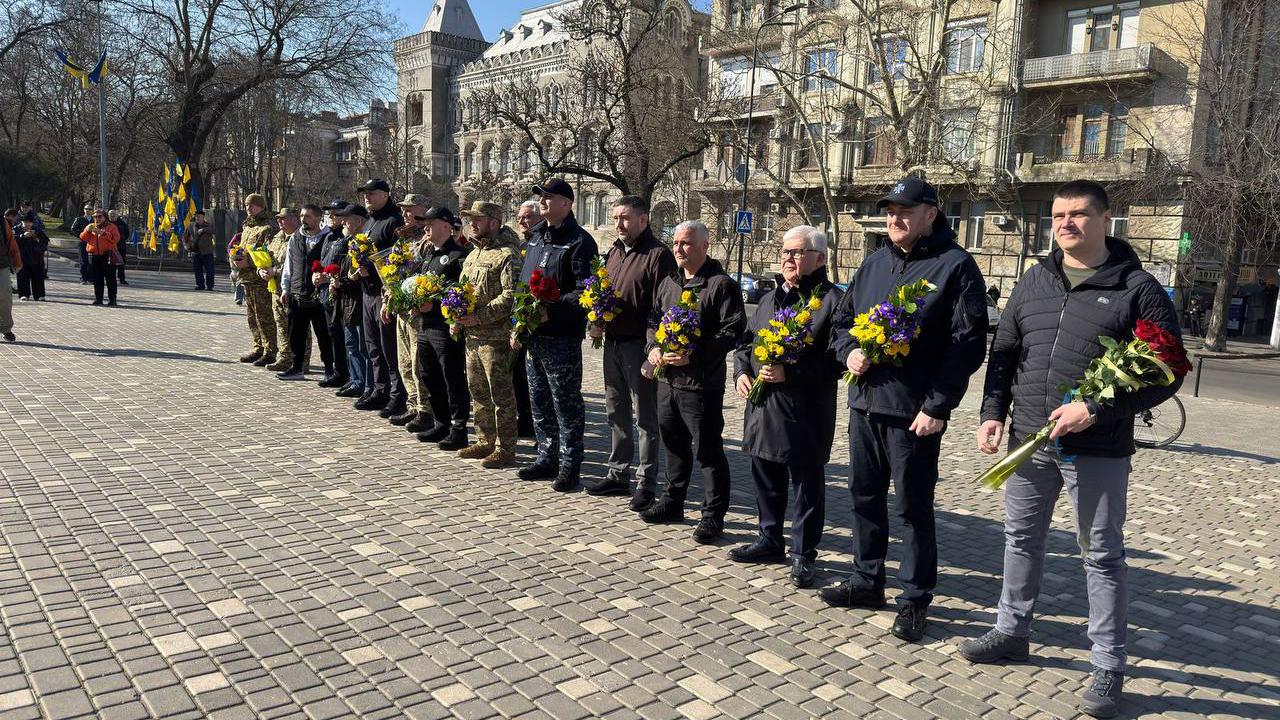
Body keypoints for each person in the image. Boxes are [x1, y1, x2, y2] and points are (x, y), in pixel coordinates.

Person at [961, 180, 1184, 719]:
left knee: (1102, 557)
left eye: (1079, 214)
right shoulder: (1034, 280)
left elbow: (1170, 369)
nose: (1066, 223)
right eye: (1058, 215)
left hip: (1099, 449)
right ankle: (1011, 632)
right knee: (1020, 539)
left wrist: (1098, 410)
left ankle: (1108, 668)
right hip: (1029, 443)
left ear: (1107, 219)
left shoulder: (1138, 288)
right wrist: (992, 413)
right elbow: (1005, 353)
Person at [822, 177, 989, 642]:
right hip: (865, 405)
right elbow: (842, 322)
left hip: (914, 414)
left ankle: (915, 599)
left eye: (906, 210)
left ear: (931, 214)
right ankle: (866, 580)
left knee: (913, 508)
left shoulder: (955, 266)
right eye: (890, 210)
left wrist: (938, 404)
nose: (895, 218)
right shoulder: (875, 262)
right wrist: (848, 351)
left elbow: (967, 345)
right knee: (862, 496)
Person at [729, 226, 842, 588]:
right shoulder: (771, 298)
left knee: (806, 485)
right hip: (764, 408)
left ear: (820, 259)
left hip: (806, 409)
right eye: (785, 252)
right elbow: (747, 342)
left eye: (797, 252)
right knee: (765, 474)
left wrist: (790, 372)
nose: (788, 258)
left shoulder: (832, 301)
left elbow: (837, 359)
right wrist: (741, 372)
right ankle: (769, 538)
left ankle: (804, 554)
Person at [640, 220, 746, 541]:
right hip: (667, 382)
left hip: (700, 385)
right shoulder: (668, 282)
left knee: (708, 452)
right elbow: (652, 320)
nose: (679, 249)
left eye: (686, 243)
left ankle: (713, 516)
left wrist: (694, 355)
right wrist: (653, 348)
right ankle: (673, 501)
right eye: (675, 243)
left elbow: (732, 331)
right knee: (674, 445)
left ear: (705, 246)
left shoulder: (721, 284)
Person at [584, 196, 677, 509]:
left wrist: (655, 349)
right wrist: (595, 320)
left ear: (643, 219)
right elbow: (601, 294)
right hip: (612, 343)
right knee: (615, 410)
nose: (618, 225)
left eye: (624, 218)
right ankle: (617, 474)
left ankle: (646, 483)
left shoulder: (658, 255)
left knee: (645, 418)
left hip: (641, 346)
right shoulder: (613, 252)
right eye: (614, 219)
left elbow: (662, 307)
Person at [516, 179, 599, 492]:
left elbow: (585, 292)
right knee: (539, 400)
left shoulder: (579, 242)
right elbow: (523, 284)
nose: (543, 203)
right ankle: (546, 457)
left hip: (561, 336)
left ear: (567, 203)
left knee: (566, 404)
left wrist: (553, 308)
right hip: (534, 334)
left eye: (549, 198)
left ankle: (569, 465)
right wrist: (520, 320)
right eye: (541, 198)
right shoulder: (536, 237)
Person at [456, 201, 522, 467]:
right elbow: (461, 292)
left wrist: (479, 317)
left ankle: (505, 448)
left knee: (501, 396)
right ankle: (484, 440)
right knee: (478, 393)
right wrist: (456, 317)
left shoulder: (508, 254)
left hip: (495, 338)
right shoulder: (473, 255)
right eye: (470, 219)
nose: (472, 224)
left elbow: (510, 296)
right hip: (472, 337)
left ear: (494, 222)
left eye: (478, 219)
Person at [413, 205, 471, 448]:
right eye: (424, 222)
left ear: (446, 226)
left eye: (431, 222)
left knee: (452, 377)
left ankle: (459, 429)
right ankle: (441, 422)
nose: (426, 227)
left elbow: (458, 294)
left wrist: (433, 305)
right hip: (426, 326)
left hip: (446, 328)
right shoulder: (429, 255)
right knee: (428, 374)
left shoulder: (458, 256)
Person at [353, 179, 407, 416]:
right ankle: (380, 389)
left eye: (372, 193)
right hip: (366, 292)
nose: (367, 197)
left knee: (389, 348)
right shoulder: (369, 221)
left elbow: (398, 259)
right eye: (365, 193)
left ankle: (397, 395)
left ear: (386, 194)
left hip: (383, 292)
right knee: (372, 345)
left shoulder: (394, 221)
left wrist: (376, 273)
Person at [382, 195, 433, 431]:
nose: (405, 214)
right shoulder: (402, 239)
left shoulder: (428, 239)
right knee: (404, 363)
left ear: (423, 210)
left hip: (418, 312)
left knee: (417, 364)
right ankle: (413, 406)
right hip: (400, 309)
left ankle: (426, 410)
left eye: (410, 210)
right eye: (403, 210)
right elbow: (391, 275)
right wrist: (387, 300)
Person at [277, 204, 335, 381]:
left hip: (320, 295)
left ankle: (329, 370)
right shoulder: (295, 238)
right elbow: (289, 264)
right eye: (302, 216)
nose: (303, 220)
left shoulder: (328, 237)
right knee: (296, 334)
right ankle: (297, 368)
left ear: (318, 218)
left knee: (324, 335)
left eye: (308, 216)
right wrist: (285, 288)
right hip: (297, 293)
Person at [332, 204, 372, 399]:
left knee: (363, 348)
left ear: (359, 221)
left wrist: (345, 281)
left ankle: (366, 385)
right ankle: (356, 380)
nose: (344, 222)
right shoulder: (349, 242)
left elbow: (360, 276)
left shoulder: (364, 243)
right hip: (346, 301)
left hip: (359, 301)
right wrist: (335, 280)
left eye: (348, 218)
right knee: (351, 345)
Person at [235, 193, 279, 365]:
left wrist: (250, 263)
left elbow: (269, 252)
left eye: (252, 205)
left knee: (264, 316)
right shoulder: (247, 227)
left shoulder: (268, 227)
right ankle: (259, 346)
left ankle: (270, 350)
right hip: (246, 277)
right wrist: (236, 256)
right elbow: (244, 249)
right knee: (252, 316)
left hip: (260, 279)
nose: (248, 208)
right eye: (246, 205)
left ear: (261, 206)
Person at [511, 200, 541, 437]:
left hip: (538, 320)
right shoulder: (521, 244)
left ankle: (537, 423)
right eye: (519, 217)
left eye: (527, 217)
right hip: (518, 318)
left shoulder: (541, 244)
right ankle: (525, 418)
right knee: (519, 373)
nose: (521, 221)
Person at [316, 200, 351, 389]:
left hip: (340, 294)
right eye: (329, 213)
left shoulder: (345, 239)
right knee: (332, 334)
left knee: (343, 336)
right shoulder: (329, 238)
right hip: (325, 293)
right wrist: (317, 274)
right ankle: (338, 371)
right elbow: (323, 262)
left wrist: (328, 277)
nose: (331, 217)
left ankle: (347, 374)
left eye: (335, 214)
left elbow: (343, 266)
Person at [261, 208, 300, 373]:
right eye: (278, 219)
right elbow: (267, 258)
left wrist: (274, 271)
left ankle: (301, 360)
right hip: (275, 288)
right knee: (281, 325)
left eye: (283, 219)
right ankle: (284, 358)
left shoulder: (299, 237)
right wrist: (261, 270)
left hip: (294, 289)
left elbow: (295, 265)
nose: (280, 222)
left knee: (297, 328)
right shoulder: (276, 238)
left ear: (294, 219)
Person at [80, 209, 121, 306]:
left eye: (99, 217)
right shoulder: (91, 226)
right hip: (94, 256)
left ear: (105, 217)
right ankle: (98, 299)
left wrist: (103, 234)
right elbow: (83, 238)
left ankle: (112, 299)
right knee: (97, 279)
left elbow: (116, 239)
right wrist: (87, 231)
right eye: (95, 217)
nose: (97, 219)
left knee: (110, 279)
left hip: (108, 255)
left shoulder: (112, 227)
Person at [14, 215, 49, 301]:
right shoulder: (16, 229)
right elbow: (12, 241)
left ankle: (39, 295)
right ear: (21, 222)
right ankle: (24, 294)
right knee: (22, 277)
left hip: (36, 258)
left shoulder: (37, 229)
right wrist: (23, 236)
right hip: (21, 257)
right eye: (25, 222)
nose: (27, 224)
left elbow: (45, 241)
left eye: (29, 222)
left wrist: (36, 237)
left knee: (38, 277)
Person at [0, 213, 21, 341]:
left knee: (5, 295)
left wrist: (17, 261)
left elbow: (11, 242)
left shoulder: (2, 222)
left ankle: (6, 328)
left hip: (1, 264)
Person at [185, 210, 216, 291]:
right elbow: (185, 236)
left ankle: (210, 285)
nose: (197, 218)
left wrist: (203, 230)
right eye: (196, 216)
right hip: (196, 251)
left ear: (203, 217)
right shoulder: (191, 225)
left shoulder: (208, 225)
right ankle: (200, 285)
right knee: (197, 270)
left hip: (207, 252)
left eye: (199, 216)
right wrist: (187, 245)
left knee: (209, 270)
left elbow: (213, 230)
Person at [70, 204, 93, 284]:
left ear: (92, 210)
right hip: (83, 242)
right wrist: (81, 235)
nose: (88, 210)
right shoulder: (79, 219)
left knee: (91, 261)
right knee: (83, 261)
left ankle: (90, 278)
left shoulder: (95, 220)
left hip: (92, 243)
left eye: (89, 209)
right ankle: (83, 278)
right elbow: (73, 229)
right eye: (86, 209)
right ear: (84, 210)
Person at [108, 210, 130, 286]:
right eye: (111, 214)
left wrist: (121, 240)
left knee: (121, 263)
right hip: (109, 247)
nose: (112, 215)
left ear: (117, 215)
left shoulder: (122, 223)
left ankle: (122, 279)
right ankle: (111, 278)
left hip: (120, 247)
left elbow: (127, 234)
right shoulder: (106, 223)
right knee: (110, 264)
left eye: (114, 214)